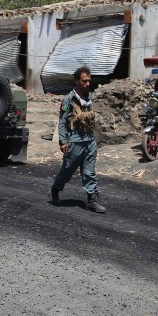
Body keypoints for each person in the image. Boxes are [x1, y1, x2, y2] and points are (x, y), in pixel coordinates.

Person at [48, 66, 106, 213]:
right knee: (67, 171)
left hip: (89, 140)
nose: (87, 84)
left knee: (89, 172)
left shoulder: (89, 97)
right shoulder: (68, 100)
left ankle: (91, 200)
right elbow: (62, 121)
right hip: (75, 141)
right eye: (84, 81)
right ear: (76, 81)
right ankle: (55, 190)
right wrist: (63, 141)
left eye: (89, 81)